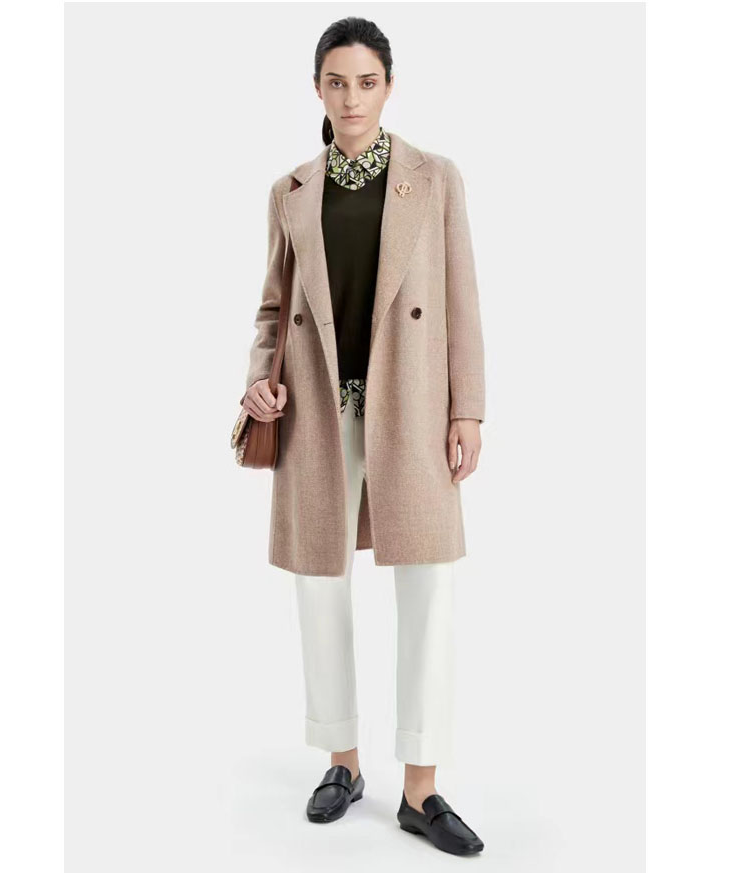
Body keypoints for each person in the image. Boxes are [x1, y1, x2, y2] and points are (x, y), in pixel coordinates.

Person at [240, 16, 486, 856]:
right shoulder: (290, 191)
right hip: (318, 408)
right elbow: (273, 308)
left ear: (389, 87)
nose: (351, 98)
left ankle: (421, 786)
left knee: (428, 583)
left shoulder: (435, 178)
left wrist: (467, 408)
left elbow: (462, 300)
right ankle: (341, 761)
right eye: (337, 83)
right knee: (321, 584)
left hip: (411, 405)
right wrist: (259, 378)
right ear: (317, 88)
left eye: (367, 82)